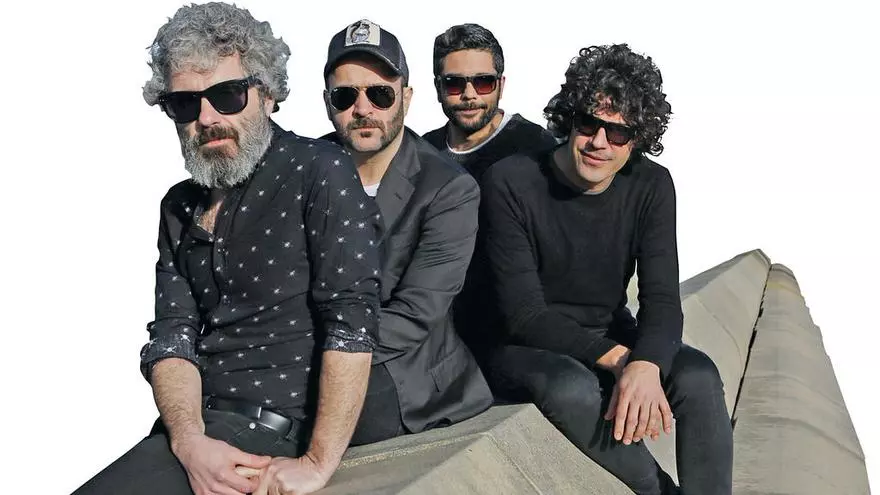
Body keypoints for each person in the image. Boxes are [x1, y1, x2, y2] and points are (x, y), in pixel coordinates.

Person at [73, 4, 383, 495]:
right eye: (184, 104)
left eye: (227, 95)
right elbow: (172, 337)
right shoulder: (178, 205)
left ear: (267, 94)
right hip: (194, 432)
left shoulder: (319, 171)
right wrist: (189, 440)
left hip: (274, 431)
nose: (207, 118)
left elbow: (351, 323)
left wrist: (318, 463)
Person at [480, 44, 733, 495]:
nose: (599, 142)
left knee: (698, 376)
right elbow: (523, 314)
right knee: (572, 388)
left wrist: (647, 363)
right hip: (523, 346)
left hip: (606, 329)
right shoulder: (511, 181)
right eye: (588, 124)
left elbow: (661, 300)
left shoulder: (652, 185)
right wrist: (622, 361)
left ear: (637, 139)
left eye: (618, 133)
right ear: (569, 119)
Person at [319, 18, 494, 446]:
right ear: (327, 102)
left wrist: (314, 353)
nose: (363, 109)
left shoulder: (449, 189)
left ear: (406, 98)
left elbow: (414, 315)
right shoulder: (306, 169)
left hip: (404, 373)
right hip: (313, 351)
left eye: (380, 94)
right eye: (345, 96)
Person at [422, 23, 558, 363]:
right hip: (439, 337)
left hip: (517, 337)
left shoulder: (535, 149)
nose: (469, 95)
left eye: (483, 82)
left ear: (501, 84)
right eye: (454, 83)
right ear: (438, 87)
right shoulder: (421, 154)